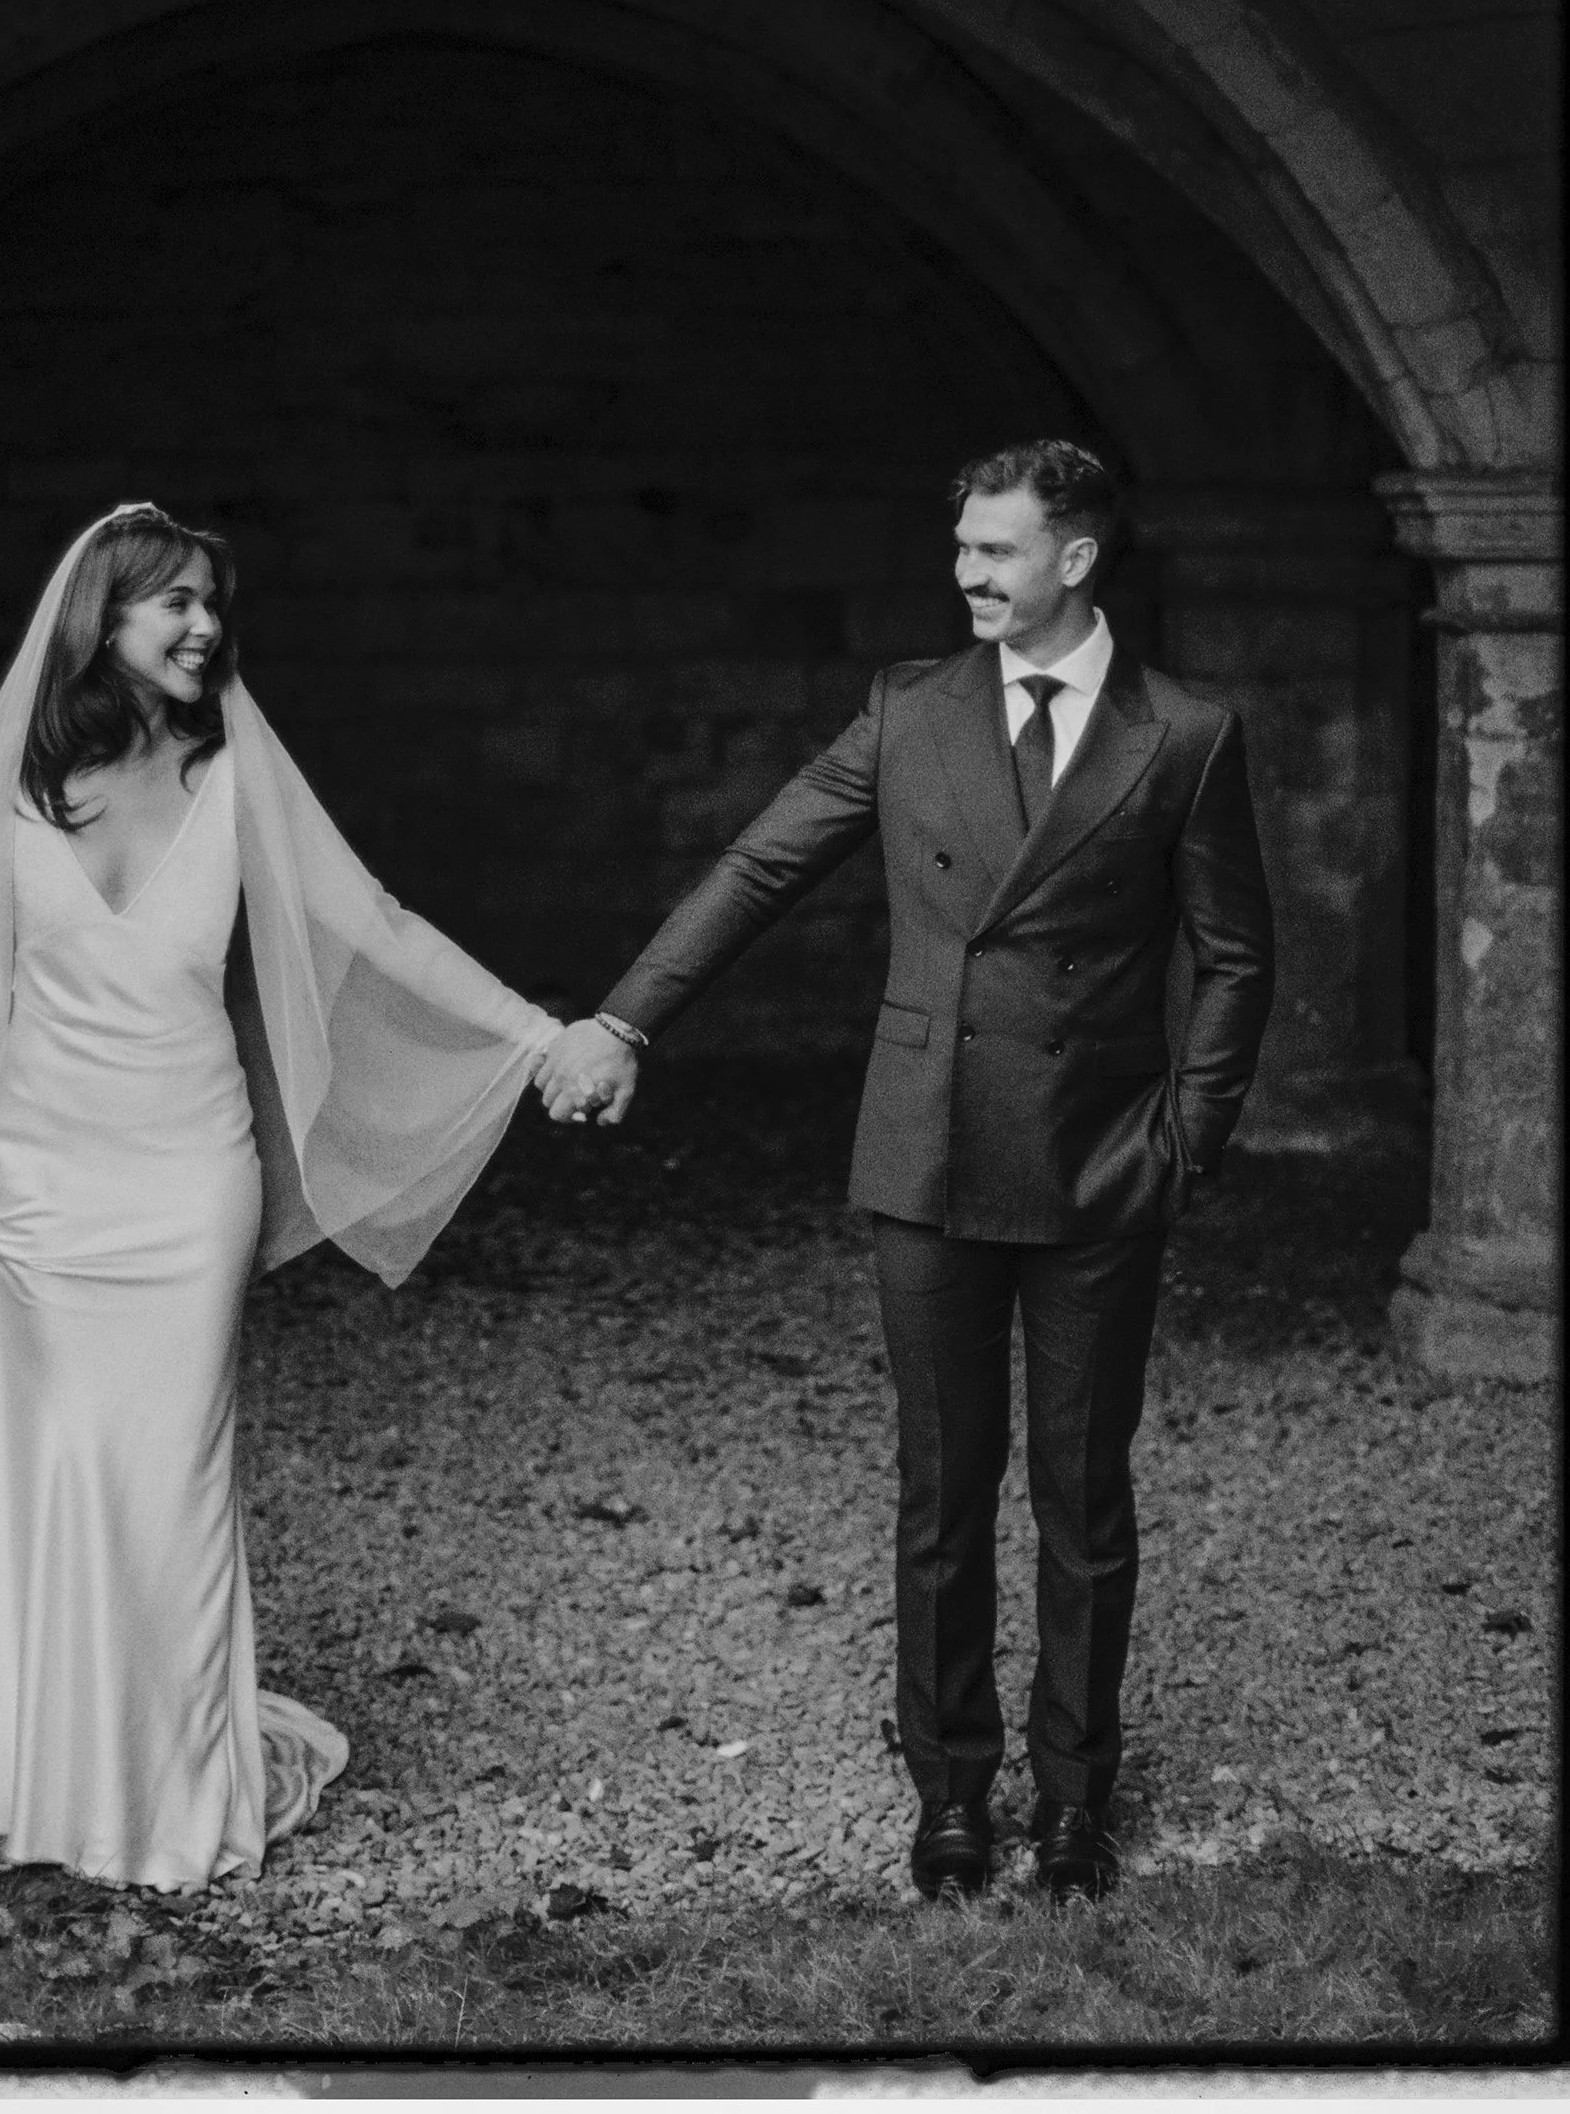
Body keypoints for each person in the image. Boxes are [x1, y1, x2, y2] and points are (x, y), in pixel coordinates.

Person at [537, 439, 1274, 1905]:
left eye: (995, 551)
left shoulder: (1185, 730)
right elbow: (759, 867)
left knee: (1085, 1493)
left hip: (1095, 1165)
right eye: (960, 550)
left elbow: (1238, 955)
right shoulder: (906, 711)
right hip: (927, 1152)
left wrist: (1186, 1139)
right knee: (943, 1491)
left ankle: (1076, 1801)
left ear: (1075, 558)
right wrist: (626, 1019)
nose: (966, 575)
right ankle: (952, 1794)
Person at [0, 503, 566, 1892]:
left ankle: (172, 1797)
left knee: (171, 1480)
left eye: (213, 603)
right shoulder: (21, 781)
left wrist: (535, 1029)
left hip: (188, 1176)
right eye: (176, 604)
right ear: (106, 618)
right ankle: (32, 1777)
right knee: (48, 1470)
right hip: (41, 1177)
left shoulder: (237, 771)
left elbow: (374, 920)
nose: (205, 626)